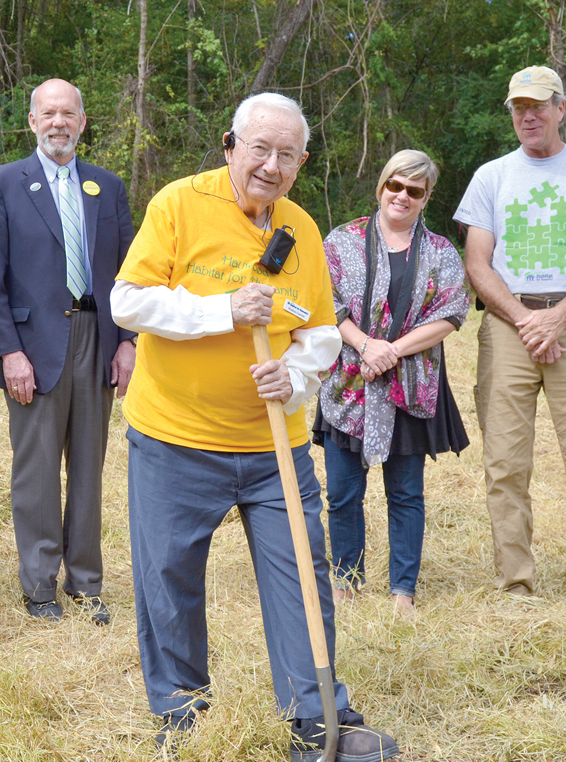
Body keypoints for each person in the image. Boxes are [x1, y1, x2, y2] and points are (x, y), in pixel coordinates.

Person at [111, 93, 400, 761]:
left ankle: (318, 718)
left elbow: (321, 333)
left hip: (276, 448)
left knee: (302, 573)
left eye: (287, 155)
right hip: (174, 439)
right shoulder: (179, 205)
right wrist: (222, 311)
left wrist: (296, 375)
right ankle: (183, 719)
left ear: (302, 161)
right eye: (259, 149)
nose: (270, 165)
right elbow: (128, 300)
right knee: (169, 577)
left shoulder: (300, 229)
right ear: (230, 146)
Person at [454, 66, 566, 628]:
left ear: (562, 108)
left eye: (538, 105)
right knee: (505, 464)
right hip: (509, 328)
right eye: (518, 107)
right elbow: (477, 263)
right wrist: (526, 320)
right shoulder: (491, 176)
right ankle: (515, 586)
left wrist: (558, 317)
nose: (527, 116)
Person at [0, 78, 136, 625]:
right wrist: (8, 353)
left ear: (82, 122)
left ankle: (86, 582)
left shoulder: (107, 188)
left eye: (68, 113)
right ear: (33, 121)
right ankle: (40, 586)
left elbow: (128, 274)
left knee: (89, 465)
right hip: (33, 344)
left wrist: (129, 342)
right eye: (49, 113)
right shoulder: (2, 184)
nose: (58, 122)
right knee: (37, 467)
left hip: (98, 337)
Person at [314, 150, 470, 617]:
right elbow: (327, 301)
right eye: (395, 186)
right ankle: (346, 579)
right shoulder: (342, 240)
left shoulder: (440, 252)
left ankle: (403, 590)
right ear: (381, 187)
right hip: (349, 385)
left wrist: (391, 351)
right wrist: (365, 346)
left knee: (405, 493)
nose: (402, 196)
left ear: (425, 199)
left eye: (414, 191)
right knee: (342, 493)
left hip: (409, 387)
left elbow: (451, 313)